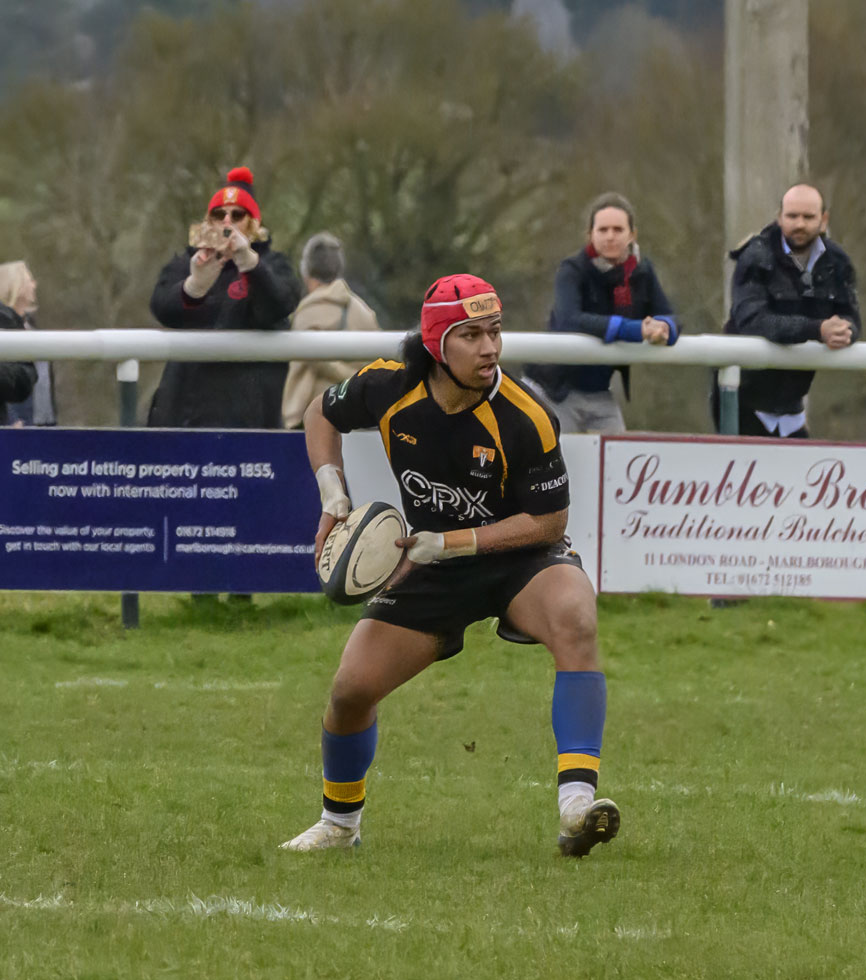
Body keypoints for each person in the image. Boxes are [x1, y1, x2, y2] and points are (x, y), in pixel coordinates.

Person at [283, 274, 621, 859]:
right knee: (350, 690)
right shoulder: (389, 385)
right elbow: (320, 412)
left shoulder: (526, 414)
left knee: (576, 616)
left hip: (520, 557)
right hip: (432, 562)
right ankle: (339, 824)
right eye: (471, 335)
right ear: (437, 343)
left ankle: (576, 806)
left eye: (495, 332)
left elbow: (549, 523)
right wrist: (332, 494)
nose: (490, 348)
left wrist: (452, 542)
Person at [146, 167, 302, 428]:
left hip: (247, 418)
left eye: (237, 215)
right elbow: (161, 307)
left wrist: (250, 265)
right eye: (219, 215)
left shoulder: (273, 264)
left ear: (253, 224)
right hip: (183, 413)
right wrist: (194, 287)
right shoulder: (188, 262)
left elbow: (279, 303)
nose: (227, 223)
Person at [715, 183, 860, 438]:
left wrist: (845, 331)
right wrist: (817, 330)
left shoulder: (837, 262)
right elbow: (753, 321)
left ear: (823, 221)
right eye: (792, 216)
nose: (799, 224)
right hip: (742, 397)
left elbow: (851, 316)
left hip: (791, 406)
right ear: (779, 218)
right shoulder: (755, 256)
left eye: (808, 217)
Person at [536, 192, 679, 434]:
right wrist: (634, 330)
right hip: (554, 390)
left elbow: (669, 315)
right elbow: (570, 320)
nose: (610, 236)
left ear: (632, 235)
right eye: (602, 230)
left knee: (619, 455)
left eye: (618, 229)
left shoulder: (643, 272)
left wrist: (663, 329)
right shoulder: (572, 270)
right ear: (590, 235)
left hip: (600, 393)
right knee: (557, 457)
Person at [282, 233, 381, 429]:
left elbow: (312, 359)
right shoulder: (364, 311)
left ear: (305, 270)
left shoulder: (308, 311)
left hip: (314, 418)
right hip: (360, 416)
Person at [0, 262, 55, 426]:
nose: (34, 285)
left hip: (41, 420)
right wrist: (13, 419)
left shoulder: (30, 326)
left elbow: (35, 377)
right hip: (16, 422)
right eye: (29, 280)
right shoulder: (7, 321)